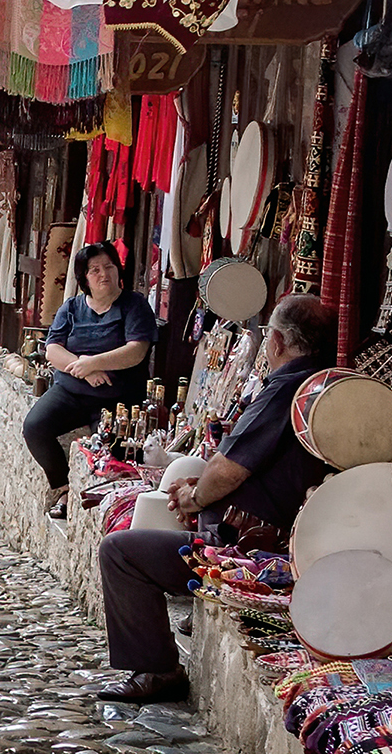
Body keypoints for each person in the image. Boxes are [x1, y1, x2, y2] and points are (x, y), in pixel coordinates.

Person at [93, 294, 336, 704]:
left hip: (252, 547)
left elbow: (229, 470)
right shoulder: (320, 383)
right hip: (283, 532)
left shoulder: (288, 388)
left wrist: (194, 497)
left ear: (275, 342)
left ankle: (155, 670)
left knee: (121, 552)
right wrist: (201, 490)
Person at [22, 241, 158, 513]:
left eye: (109, 266)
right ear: (84, 277)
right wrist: (83, 369)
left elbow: (136, 351)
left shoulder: (134, 305)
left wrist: (93, 362)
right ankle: (62, 489)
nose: (103, 274)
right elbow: (52, 350)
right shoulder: (72, 307)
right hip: (71, 392)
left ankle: (108, 506)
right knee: (35, 427)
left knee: (111, 456)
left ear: (119, 270)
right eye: (94, 269)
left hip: (118, 398)